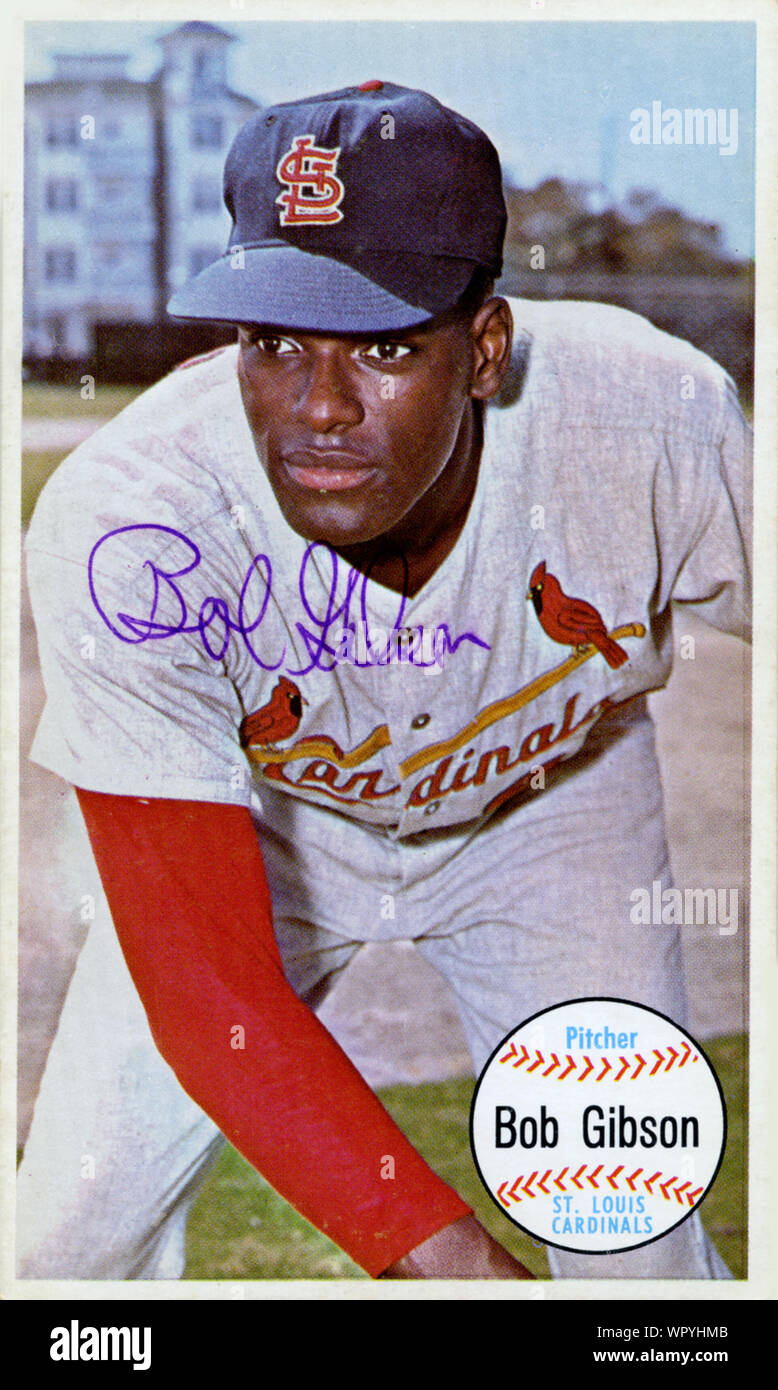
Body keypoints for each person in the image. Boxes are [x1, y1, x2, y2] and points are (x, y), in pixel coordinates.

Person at [18, 81, 750, 1281]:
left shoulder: (647, 421)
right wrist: (455, 1267)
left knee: (635, 1246)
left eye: (388, 346)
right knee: (62, 1247)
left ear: (486, 349)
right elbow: (209, 989)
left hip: (553, 812)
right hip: (266, 823)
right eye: (275, 343)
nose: (320, 408)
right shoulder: (133, 522)